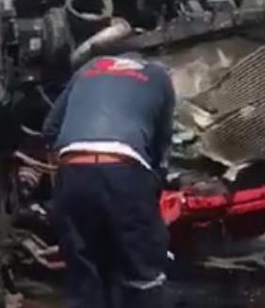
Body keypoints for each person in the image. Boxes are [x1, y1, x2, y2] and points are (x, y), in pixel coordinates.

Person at [42, 51, 175, 308]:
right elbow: (162, 148)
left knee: (85, 278)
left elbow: (49, 129)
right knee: (143, 275)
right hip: (124, 172)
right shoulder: (159, 76)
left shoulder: (88, 68)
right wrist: (152, 195)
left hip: (73, 174)